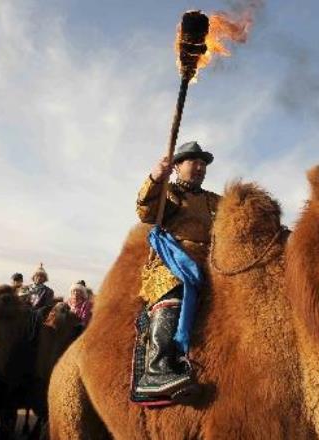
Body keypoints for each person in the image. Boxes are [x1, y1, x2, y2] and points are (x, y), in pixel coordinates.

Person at [134, 141, 220, 398]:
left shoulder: (214, 200)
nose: (200, 167)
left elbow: (238, 215)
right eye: (194, 162)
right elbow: (145, 211)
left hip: (210, 261)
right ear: (177, 166)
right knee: (173, 286)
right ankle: (155, 369)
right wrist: (155, 178)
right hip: (174, 260)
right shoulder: (168, 194)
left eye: (203, 164)